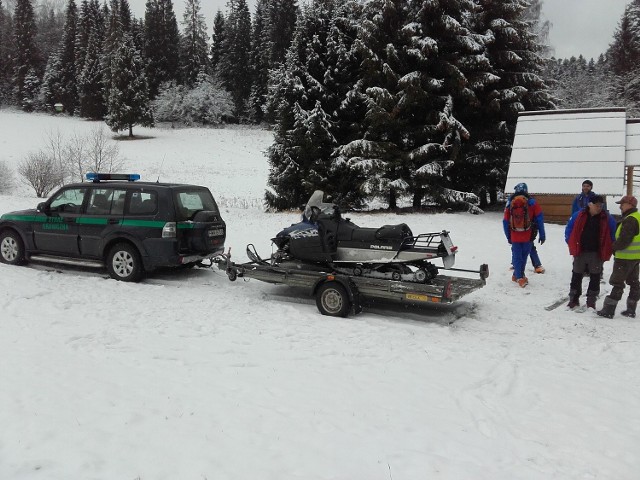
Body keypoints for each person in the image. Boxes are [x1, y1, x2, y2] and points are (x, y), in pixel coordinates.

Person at [564, 195, 616, 311]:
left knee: (595, 277)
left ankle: (591, 301)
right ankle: (574, 299)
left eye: (601, 206)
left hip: (596, 253)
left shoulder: (606, 218)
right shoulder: (578, 215)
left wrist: (607, 247)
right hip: (580, 252)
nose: (599, 208)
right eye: (597, 205)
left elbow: (613, 234)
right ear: (590, 204)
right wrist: (570, 243)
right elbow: (569, 230)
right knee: (576, 276)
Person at [597, 195, 640, 318]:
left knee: (617, 283)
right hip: (635, 257)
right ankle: (631, 309)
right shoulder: (637, 217)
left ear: (630, 205)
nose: (620, 206)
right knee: (634, 282)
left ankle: (608, 310)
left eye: (622, 204)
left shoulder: (630, 219)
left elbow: (624, 239)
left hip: (625, 257)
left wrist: (613, 246)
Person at [503, 183, 546, 288]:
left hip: (514, 234)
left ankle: (516, 275)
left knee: (517, 257)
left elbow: (505, 221)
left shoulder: (510, 203)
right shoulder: (532, 203)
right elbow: (539, 219)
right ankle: (520, 278)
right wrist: (542, 234)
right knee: (523, 256)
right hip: (527, 234)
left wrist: (508, 236)